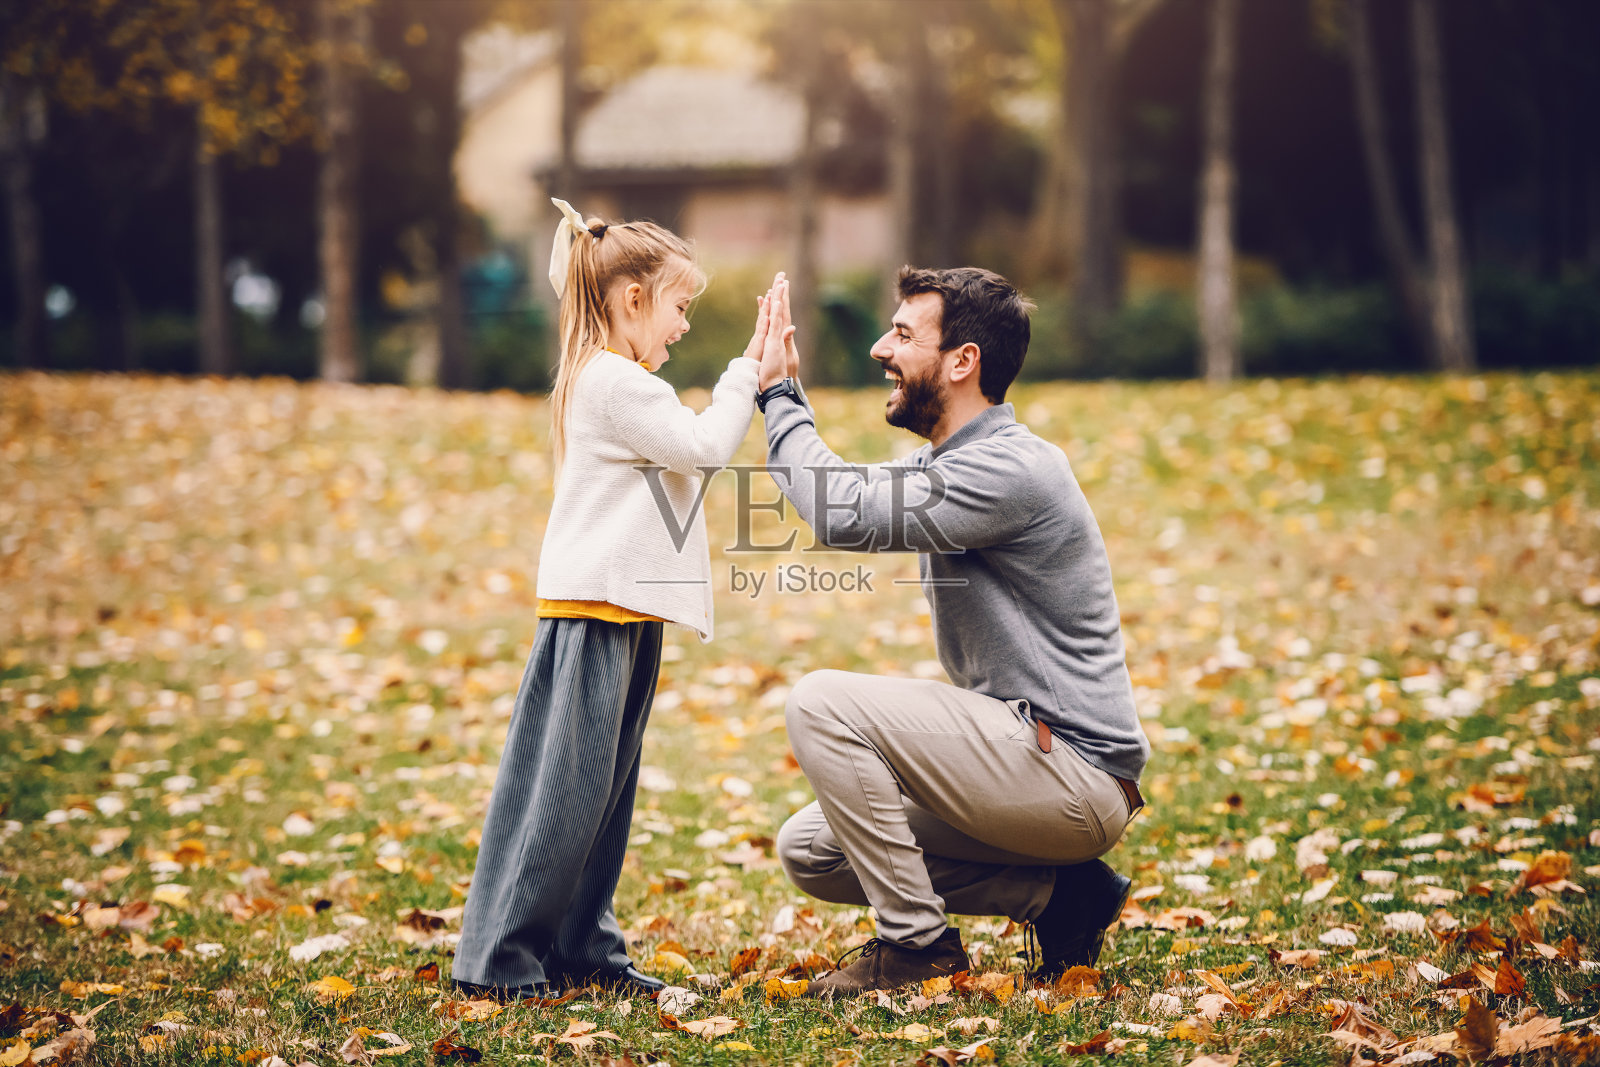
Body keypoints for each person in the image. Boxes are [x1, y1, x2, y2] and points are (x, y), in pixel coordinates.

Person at [753, 269, 1150, 995]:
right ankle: (1065, 899)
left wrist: (779, 396)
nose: (881, 347)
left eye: (904, 334)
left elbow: (841, 513)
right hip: (1028, 760)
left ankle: (918, 946)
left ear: (963, 360)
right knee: (812, 848)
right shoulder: (951, 463)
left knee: (821, 702)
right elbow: (844, 493)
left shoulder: (1009, 470)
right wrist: (784, 398)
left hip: (1073, 770)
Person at [452, 199, 777, 999]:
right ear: (632, 299)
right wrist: (751, 371)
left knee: (602, 795)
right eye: (679, 307)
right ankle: (501, 960)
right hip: (593, 614)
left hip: (624, 612)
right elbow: (701, 448)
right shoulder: (612, 382)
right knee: (564, 793)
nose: (683, 326)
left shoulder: (614, 380)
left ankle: (580, 942)